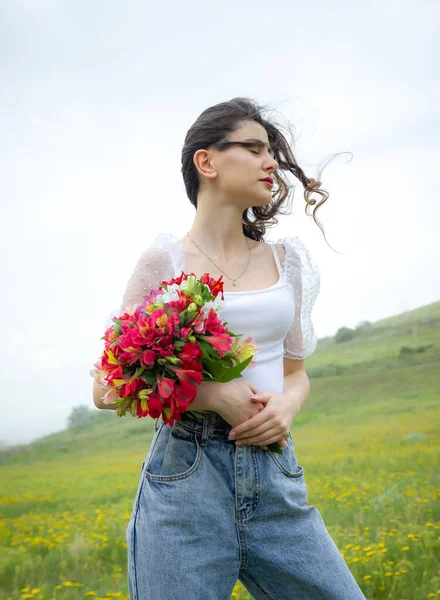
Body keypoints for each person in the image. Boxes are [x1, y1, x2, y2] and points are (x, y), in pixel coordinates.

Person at [93, 97, 366, 600]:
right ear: (208, 161)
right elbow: (107, 386)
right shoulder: (163, 260)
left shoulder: (290, 262)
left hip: (275, 472)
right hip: (186, 480)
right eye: (256, 148)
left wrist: (287, 405)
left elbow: (295, 373)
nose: (272, 164)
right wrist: (213, 395)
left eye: (274, 153)